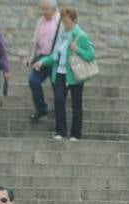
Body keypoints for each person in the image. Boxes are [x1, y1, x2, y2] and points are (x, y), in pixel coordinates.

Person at [34, 7, 95, 141]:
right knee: (59, 100)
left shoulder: (81, 35)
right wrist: (42, 61)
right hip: (59, 73)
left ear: (74, 21)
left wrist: (77, 49)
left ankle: (75, 134)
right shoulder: (61, 35)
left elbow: (91, 55)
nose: (64, 24)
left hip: (74, 75)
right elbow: (54, 55)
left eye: (67, 22)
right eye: (63, 22)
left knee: (76, 105)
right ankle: (60, 131)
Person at [28, 1, 60, 120]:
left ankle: (59, 114)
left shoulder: (60, 22)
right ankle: (41, 109)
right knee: (33, 81)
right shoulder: (40, 21)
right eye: (42, 9)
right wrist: (30, 58)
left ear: (54, 9)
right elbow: (34, 41)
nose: (43, 12)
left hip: (55, 59)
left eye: (46, 9)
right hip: (41, 57)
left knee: (57, 88)